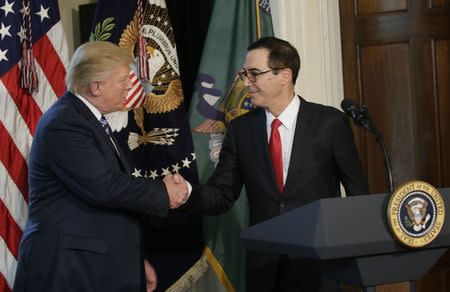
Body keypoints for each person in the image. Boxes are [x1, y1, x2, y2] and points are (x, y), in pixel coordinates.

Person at [181, 36, 369, 291]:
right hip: (264, 268)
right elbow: (223, 192)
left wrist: (354, 253)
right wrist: (187, 193)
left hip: (319, 266)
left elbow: (358, 194)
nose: (246, 82)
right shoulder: (240, 130)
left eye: (254, 74)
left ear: (285, 75)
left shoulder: (330, 123)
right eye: (244, 74)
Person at [13, 41, 188, 292]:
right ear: (96, 87)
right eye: (122, 80)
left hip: (94, 267)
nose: (130, 85)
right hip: (66, 273)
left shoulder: (88, 120)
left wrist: (133, 261)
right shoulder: (64, 124)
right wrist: (163, 192)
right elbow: (104, 186)